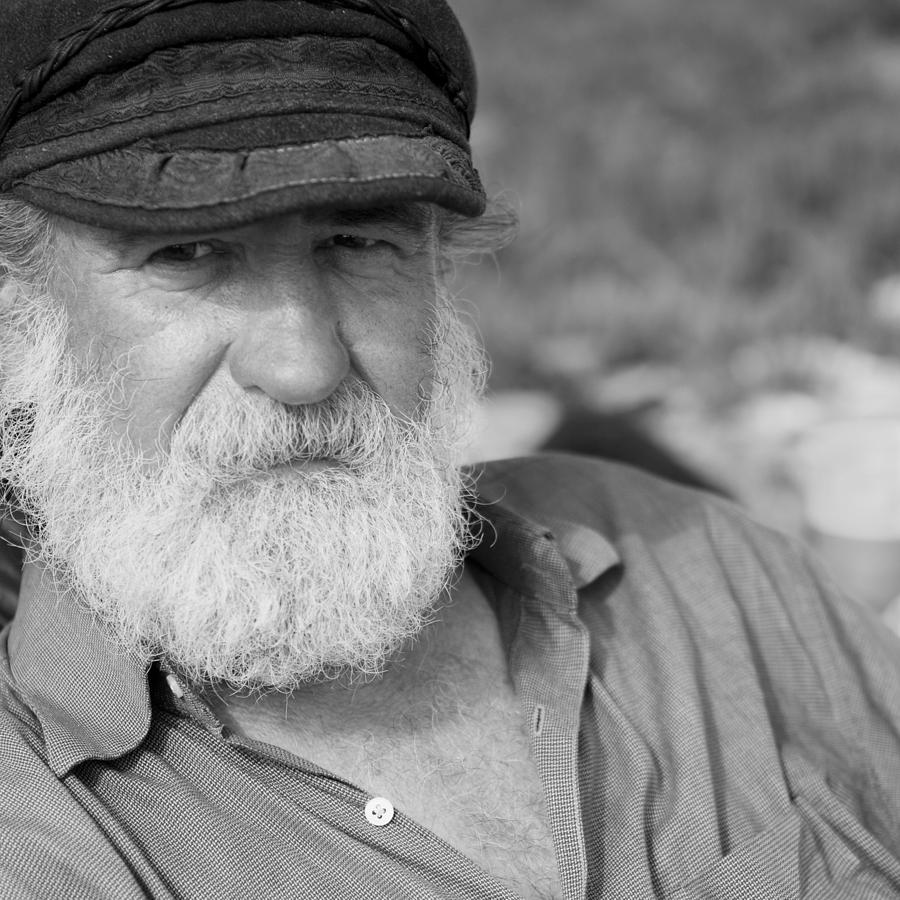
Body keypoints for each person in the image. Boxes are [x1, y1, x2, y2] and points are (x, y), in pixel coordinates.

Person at [0, 1, 898, 898]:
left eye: (359, 242)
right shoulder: (37, 837)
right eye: (185, 254)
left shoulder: (696, 562)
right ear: (15, 318)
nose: (306, 365)